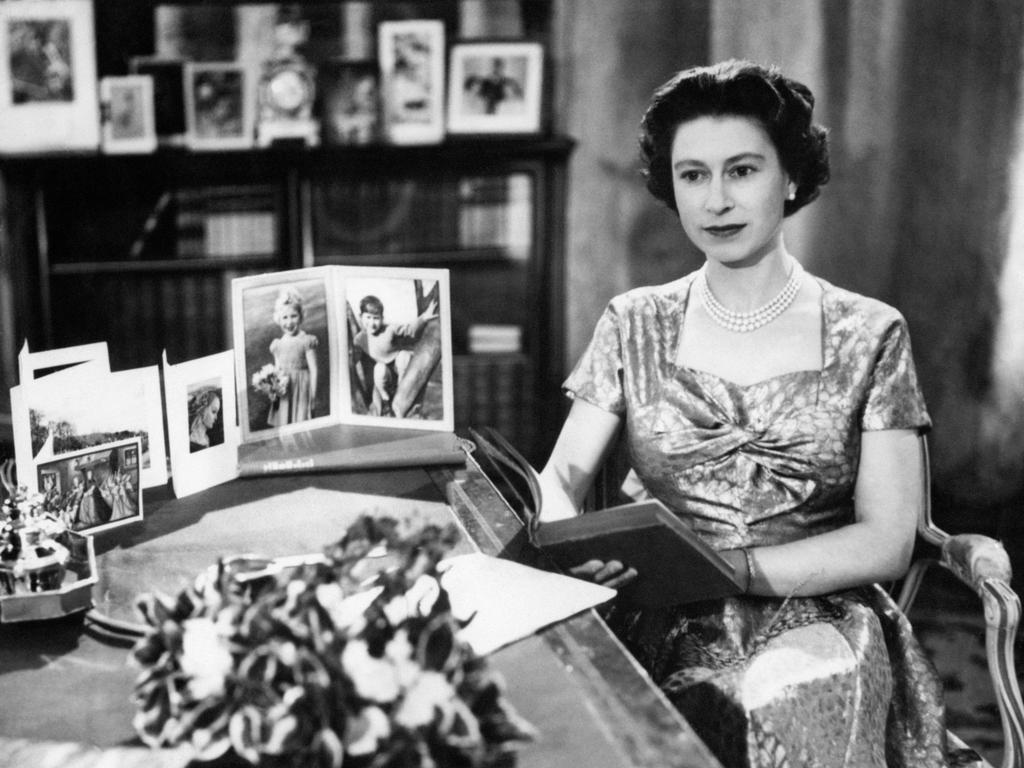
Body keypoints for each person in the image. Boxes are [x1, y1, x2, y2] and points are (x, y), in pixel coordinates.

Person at [537, 60, 947, 767]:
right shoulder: (633, 322)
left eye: (742, 170)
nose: (716, 200)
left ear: (789, 178)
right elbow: (561, 480)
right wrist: (567, 546)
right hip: (656, 611)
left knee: (769, 700)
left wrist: (734, 570)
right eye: (693, 175)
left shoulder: (870, 333)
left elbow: (887, 540)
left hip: (817, 619)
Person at [353, 294, 437, 417]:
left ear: (382, 318)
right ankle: (385, 399)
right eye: (368, 317)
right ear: (361, 317)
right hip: (385, 370)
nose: (372, 323)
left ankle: (401, 389)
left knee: (403, 355)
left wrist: (424, 318)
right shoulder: (360, 339)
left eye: (376, 318)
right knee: (379, 369)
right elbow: (354, 356)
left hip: (399, 367)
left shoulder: (389, 329)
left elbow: (409, 329)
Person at [267, 287, 319, 427]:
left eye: (293, 316)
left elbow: (314, 370)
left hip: (302, 389)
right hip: (285, 392)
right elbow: (277, 372)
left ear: (301, 316)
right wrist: (274, 390)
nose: (289, 323)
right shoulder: (277, 345)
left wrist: (312, 397)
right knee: (284, 424)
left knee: (301, 425)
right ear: (279, 319)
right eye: (285, 317)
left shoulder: (306, 340)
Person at [188, 387, 222, 452]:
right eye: (213, 411)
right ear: (203, 410)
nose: (216, 417)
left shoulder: (206, 439)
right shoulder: (190, 441)